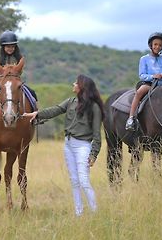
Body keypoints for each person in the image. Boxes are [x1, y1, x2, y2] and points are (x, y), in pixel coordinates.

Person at [23, 74, 104, 217]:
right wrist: (37, 114)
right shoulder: (71, 101)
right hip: (68, 145)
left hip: (83, 146)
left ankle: (95, 212)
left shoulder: (95, 107)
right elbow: (55, 110)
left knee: (84, 180)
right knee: (74, 181)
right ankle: (79, 213)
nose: (73, 84)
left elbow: (97, 134)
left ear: (82, 87)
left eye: (76, 82)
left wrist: (94, 154)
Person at [125, 32, 162, 131]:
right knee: (139, 92)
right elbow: (142, 75)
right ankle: (131, 118)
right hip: (149, 84)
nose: (157, 47)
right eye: (155, 44)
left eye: (160, 45)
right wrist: (153, 76)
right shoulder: (144, 59)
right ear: (151, 45)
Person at [0, 30, 38, 102]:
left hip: (16, 82)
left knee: (32, 93)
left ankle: (36, 110)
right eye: (8, 47)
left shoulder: (19, 58)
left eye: (13, 47)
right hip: (2, 82)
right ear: (3, 47)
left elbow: (20, 71)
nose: (10, 49)